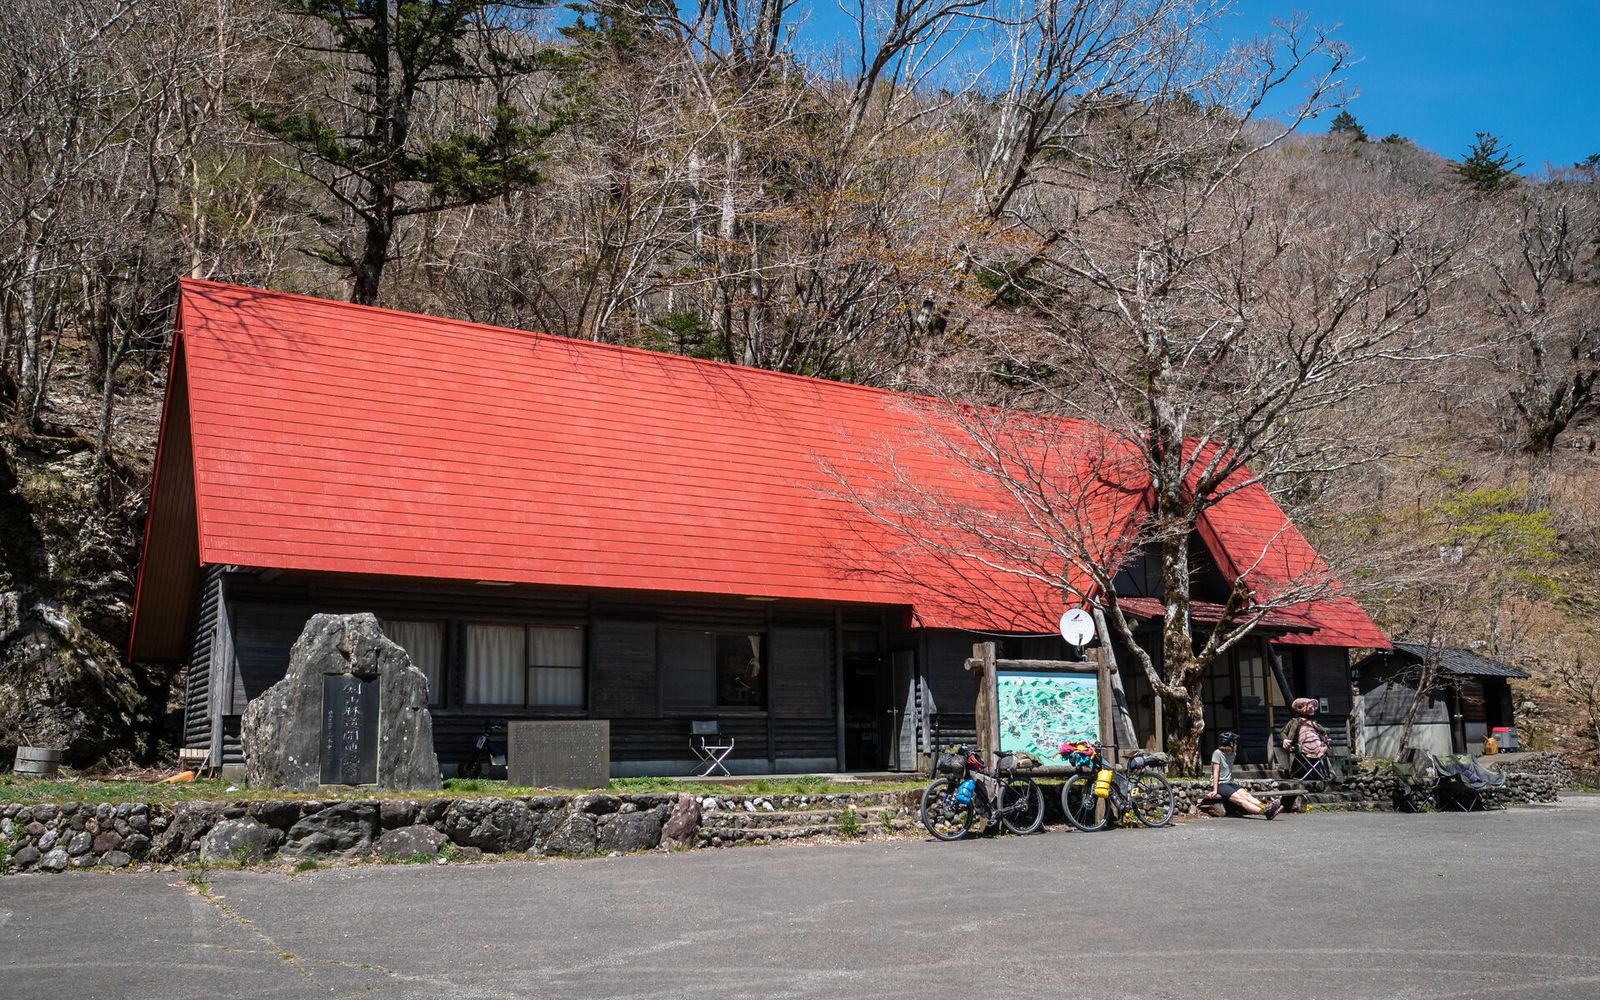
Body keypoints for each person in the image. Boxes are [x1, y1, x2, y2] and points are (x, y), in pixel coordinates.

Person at [1210, 731, 1282, 819]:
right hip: (1220, 784)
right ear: (1230, 744)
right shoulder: (1217, 753)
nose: (1236, 744)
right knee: (1241, 800)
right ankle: (1265, 812)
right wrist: (1215, 790)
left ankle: (1266, 807)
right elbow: (1216, 771)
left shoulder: (1233, 753)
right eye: (1235, 742)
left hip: (1229, 783)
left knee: (1247, 795)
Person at [1281, 697, 1330, 779]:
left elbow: (1323, 731)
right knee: (1303, 749)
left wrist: (1325, 738)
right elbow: (1283, 732)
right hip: (1302, 746)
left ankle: (1327, 773)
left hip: (1317, 745)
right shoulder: (1294, 722)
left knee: (1324, 748)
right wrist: (1285, 740)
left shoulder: (1313, 723)